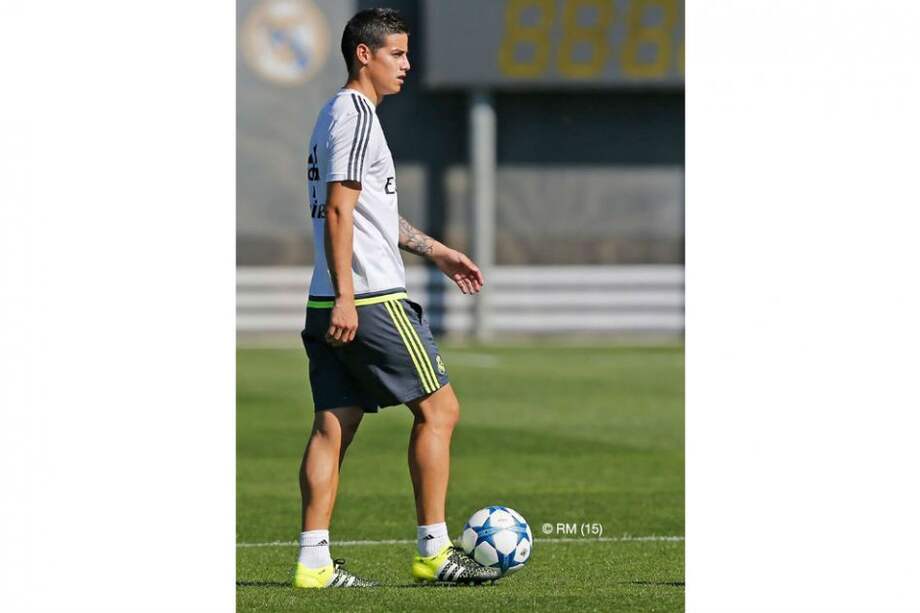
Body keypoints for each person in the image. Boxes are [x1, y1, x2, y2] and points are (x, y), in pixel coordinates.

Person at [292, 8, 497, 589]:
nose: (407, 64)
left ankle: (313, 562)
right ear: (365, 55)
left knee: (333, 424)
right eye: (397, 54)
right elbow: (338, 208)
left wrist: (435, 250)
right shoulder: (355, 115)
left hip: (329, 296)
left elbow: (368, 213)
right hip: (370, 298)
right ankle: (434, 550)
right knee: (441, 409)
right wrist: (349, 298)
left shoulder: (338, 115)